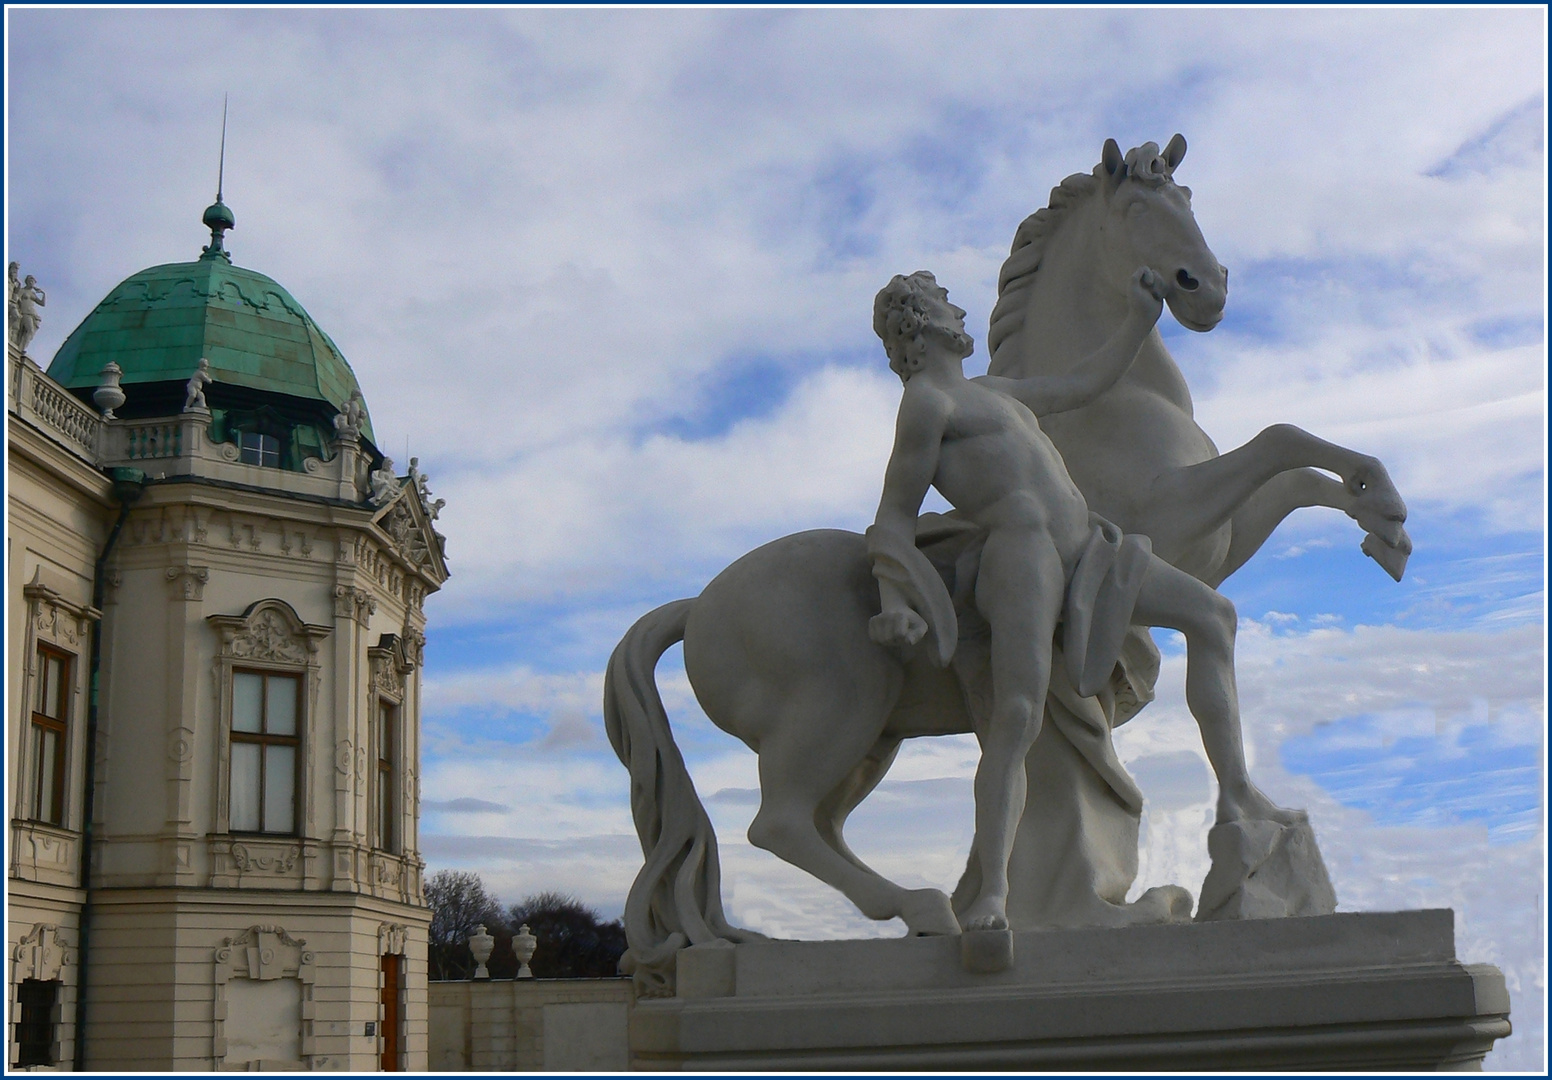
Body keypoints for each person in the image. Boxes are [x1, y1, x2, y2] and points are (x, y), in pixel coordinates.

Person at [868, 268, 1300, 932]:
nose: (958, 310)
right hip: (1023, 554)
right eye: (942, 303)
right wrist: (895, 594)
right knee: (1016, 721)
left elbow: (1085, 382)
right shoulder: (930, 404)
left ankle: (1237, 794)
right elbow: (895, 514)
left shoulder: (996, 393)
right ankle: (993, 895)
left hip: (1088, 549)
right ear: (918, 326)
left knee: (1213, 615)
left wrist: (1137, 317)